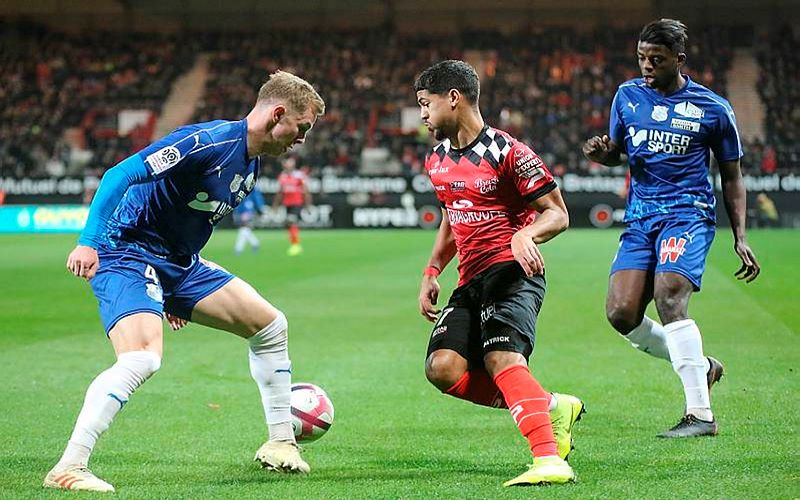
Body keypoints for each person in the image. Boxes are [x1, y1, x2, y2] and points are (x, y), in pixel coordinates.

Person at [44, 71, 325, 492]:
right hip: (127, 250)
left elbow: (187, 219)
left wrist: (177, 293)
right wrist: (89, 242)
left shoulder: (252, 167)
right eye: (301, 128)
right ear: (278, 114)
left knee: (270, 326)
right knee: (142, 357)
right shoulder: (206, 142)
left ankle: (281, 442)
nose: (302, 138)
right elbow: (119, 175)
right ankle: (70, 465)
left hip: (180, 264)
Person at [582, 19, 760, 438]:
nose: (646, 65)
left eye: (656, 59)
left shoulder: (713, 108)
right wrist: (602, 154)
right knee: (621, 313)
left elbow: (732, 175)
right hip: (641, 218)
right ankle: (703, 365)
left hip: (688, 214)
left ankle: (700, 415)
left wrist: (740, 236)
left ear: (679, 60)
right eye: (642, 57)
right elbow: (619, 154)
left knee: (669, 296)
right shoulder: (626, 97)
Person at [415, 60, 583, 487]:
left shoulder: (509, 152)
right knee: (443, 368)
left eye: (426, 104)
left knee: (501, 357)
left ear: (453, 98)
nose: (422, 115)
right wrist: (433, 269)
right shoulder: (436, 160)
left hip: (514, 273)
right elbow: (453, 215)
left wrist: (528, 236)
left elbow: (558, 214)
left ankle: (549, 458)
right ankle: (548, 406)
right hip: (470, 281)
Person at [272, 156, 311, 256]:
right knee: (289, 224)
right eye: (286, 163)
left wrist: (307, 205)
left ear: (293, 164)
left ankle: (296, 245)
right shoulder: (282, 176)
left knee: (291, 221)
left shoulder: (299, 176)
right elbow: (280, 192)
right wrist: (275, 206)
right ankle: (294, 243)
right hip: (287, 203)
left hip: (297, 203)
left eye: (290, 162)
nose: (288, 165)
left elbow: (305, 191)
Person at [233, 188, 267, 254]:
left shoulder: (251, 185)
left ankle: (239, 248)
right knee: (245, 229)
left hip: (247, 208)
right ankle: (255, 243)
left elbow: (256, 196)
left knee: (244, 228)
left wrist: (260, 208)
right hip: (242, 208)